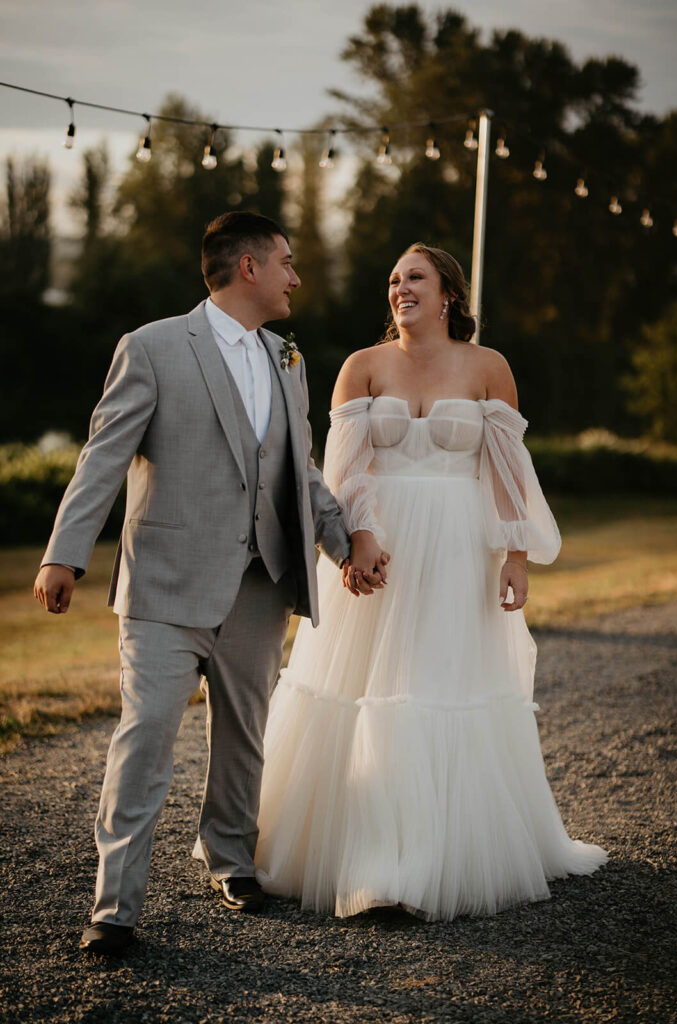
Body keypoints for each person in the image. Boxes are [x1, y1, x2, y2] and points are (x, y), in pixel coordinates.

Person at [33, 211, 385, 955]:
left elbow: (300, 473)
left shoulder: (287, 358)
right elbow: (103, 458)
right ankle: (114, 908)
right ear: (248, 267)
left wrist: (342, 539)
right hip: (165, 585)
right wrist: (62, 554)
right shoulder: (154, 346)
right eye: (286, 262)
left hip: (260, 584)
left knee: (244, 740)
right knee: (146, 736)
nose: (296, 276)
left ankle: (231, 863)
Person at [254, 242, 608, 920]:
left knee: (433, 686)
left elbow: (505, 472)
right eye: (392, 279)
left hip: (455, 547)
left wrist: (514, 555)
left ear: (448, 292)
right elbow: (342, 473)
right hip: (378, 547)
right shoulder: (362, 366)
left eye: (413, 277)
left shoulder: (487, 367)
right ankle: (356, 858)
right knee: (362, 690)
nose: (399, 288)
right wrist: (351, 547)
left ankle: (415, 865)